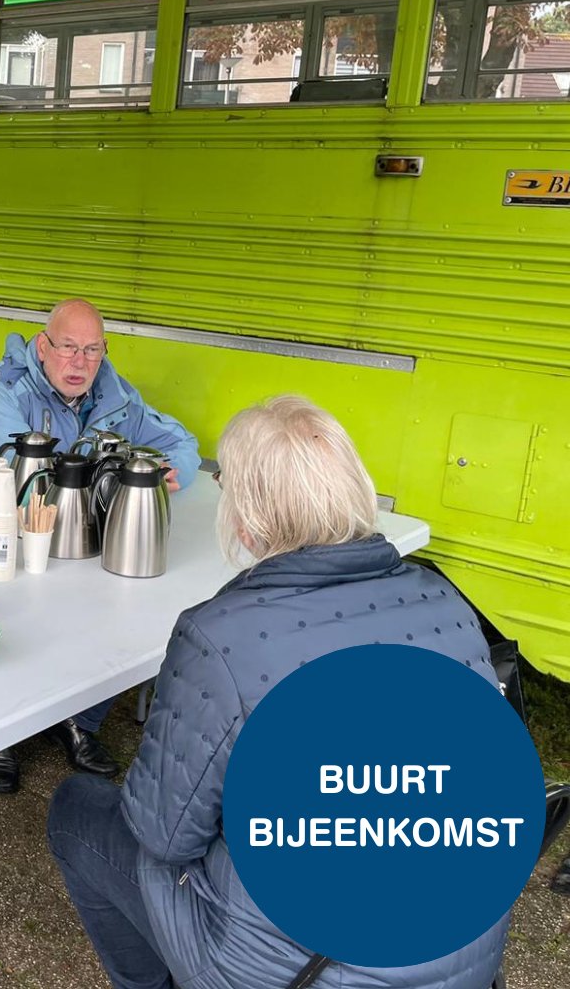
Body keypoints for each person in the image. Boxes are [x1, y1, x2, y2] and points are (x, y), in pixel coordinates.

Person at [47, 395, 508, 989]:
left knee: (76, 810)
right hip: (461, 958)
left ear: (246, 514)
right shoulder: (447, 602)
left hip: (300, 969)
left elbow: (162, 832)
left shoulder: (222, 633)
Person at [0, 299, 201, 795]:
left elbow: (182, 442)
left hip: (80, 537)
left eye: (92, 350)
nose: (80, 362)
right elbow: (19, 464)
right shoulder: (5, 388)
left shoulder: (115, 392)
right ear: (43, 347)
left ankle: (78, 720)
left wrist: (170, 471)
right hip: (0, 533)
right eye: (68, 347)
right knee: (9, 619)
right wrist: (107, 464)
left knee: (130, 604)